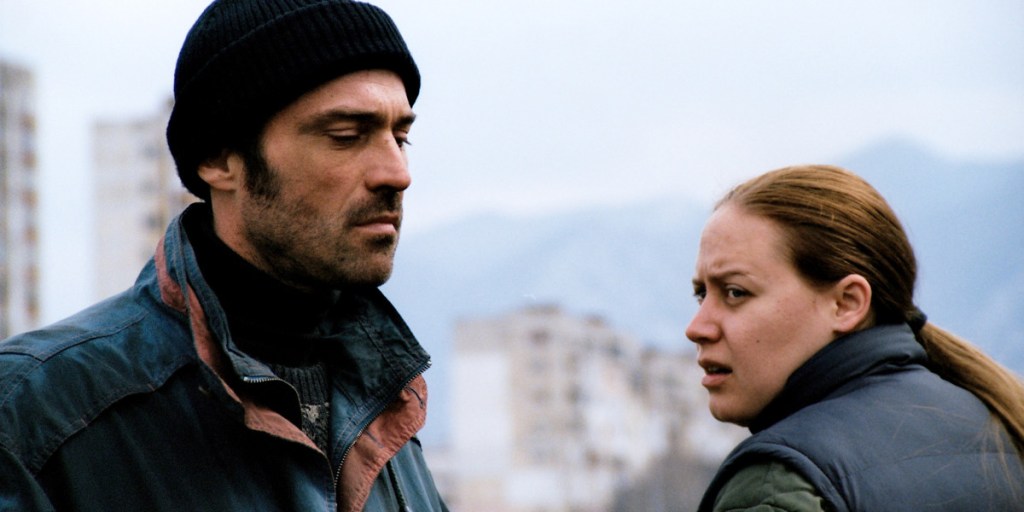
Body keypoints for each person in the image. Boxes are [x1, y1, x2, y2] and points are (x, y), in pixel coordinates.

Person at [0, 1, 449, 510]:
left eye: (401, 137)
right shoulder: (34, 417)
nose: (397, 173)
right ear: (218, 158)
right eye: (345, 137)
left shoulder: (389, 418)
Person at [686, 165, 1024, 511]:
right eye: (701, 294)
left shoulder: (778, 485)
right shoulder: (1000, 431)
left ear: (846, 303)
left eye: (736, 292)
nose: (697, 327)